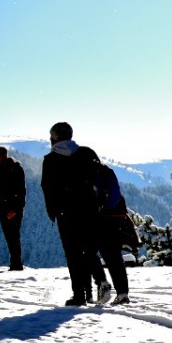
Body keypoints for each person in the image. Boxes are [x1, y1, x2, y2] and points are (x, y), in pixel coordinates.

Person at [41, 122, 103, 307]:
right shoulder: (87, 153)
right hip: (90, 209)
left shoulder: (51, 159)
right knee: (88, 249)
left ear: (55, 137)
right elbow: (100, 177)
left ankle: (80, 295)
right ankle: (93, 289)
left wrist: (53, 211)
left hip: (66, 212)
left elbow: (47, 187)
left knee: (73, 253)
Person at [76, 146, 130, 304]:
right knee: (114, 256)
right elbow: (115, 194)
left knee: (88, 252)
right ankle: (122, 293)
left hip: (94, 219)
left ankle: (102, 281)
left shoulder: (82, 174)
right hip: (114, 217)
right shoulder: (107, 171)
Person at [0, 146, 25, 271]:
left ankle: (16, 264)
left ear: (4, 155)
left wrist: (14, 209)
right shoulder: (3, 169)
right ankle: (15, 263)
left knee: (13, 236)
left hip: (11, 209)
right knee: (10, 237)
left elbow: (20, 191)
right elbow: (5, 189)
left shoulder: (14, 169)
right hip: (5, 208)